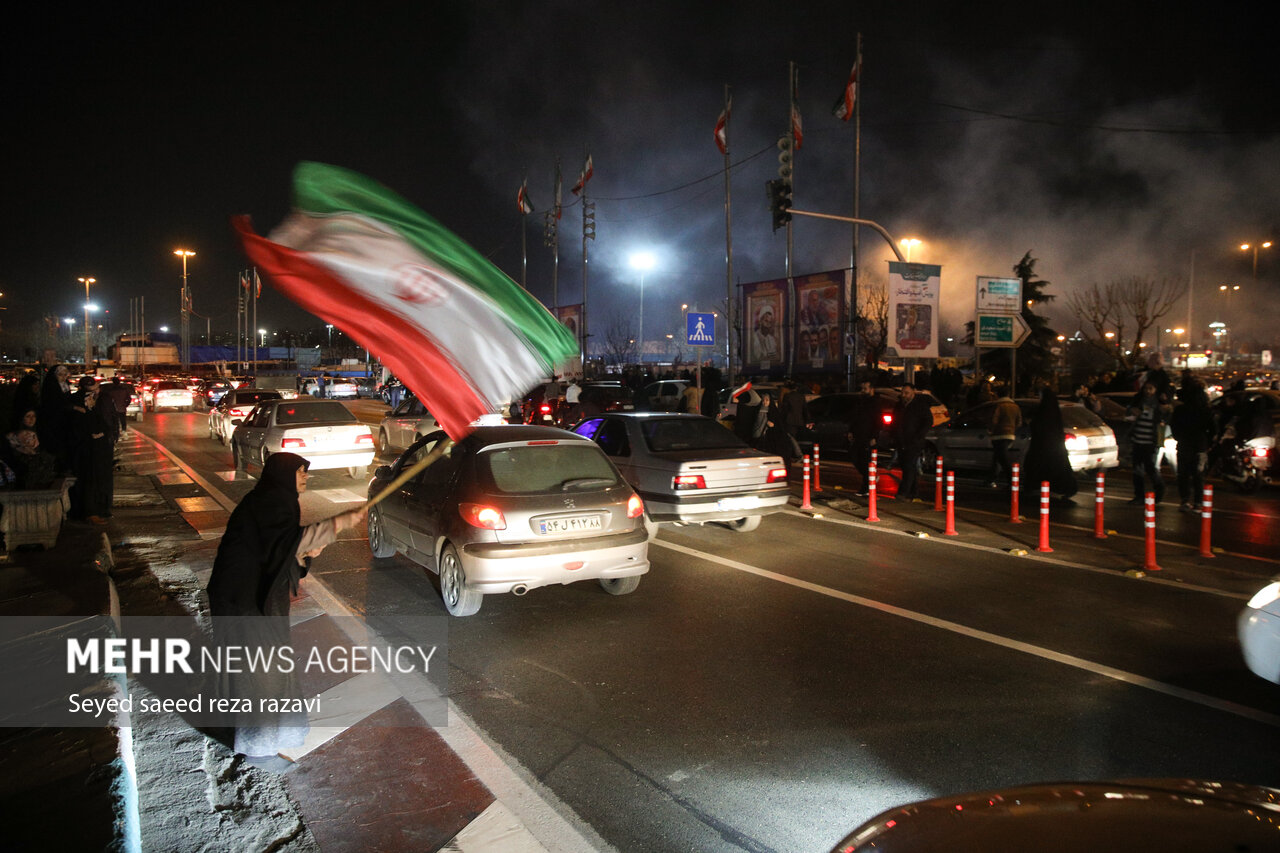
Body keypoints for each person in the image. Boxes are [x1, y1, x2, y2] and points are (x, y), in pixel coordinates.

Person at [205, 454, 365, 758]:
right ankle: (258, 743)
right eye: (300, 472)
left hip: (248, 596)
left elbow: (280, 547)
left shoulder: (277, 500)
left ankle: (264, 733)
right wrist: (338, 523)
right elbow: (287, 543)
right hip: (243, 599)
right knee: (260, 671)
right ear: (282, 475)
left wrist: (304, 551)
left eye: (306, 471)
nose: (305, 477)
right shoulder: (270, 501)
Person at [1021, 386, 1078, 504]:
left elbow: (1037, 426)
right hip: (1055, 448)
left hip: (1041, 447)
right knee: (1057, 467)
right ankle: (1062, 488)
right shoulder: (1054, 411)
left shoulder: (1043, 411)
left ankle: (1035, 486)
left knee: (1038, 466)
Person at [68, 379, 113, 523]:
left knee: (100, 478)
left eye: (96, 390)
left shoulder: (101, 399)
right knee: (89, 479)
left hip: (101, 447)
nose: (95, 393)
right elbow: (80, 424)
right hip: (86, 448)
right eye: (91, 391)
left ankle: (100, 510)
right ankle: (90, 512)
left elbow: (108, 420)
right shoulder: (78, 402)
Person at [1169, 377, 1213, 512]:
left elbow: (1174, 426)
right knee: (1198, 476)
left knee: (1183, 474)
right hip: (1199, 445)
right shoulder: (1205, 410)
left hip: (1184, 444)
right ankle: (1198, 503)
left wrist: (1179, 437)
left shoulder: (1180, 410)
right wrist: (1208, 443)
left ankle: (1185, 500)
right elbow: (1213, 428)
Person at [1126, 382, 1169, 504]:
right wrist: (1132, 412)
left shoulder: (1158, 403)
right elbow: (1129, 412)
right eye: (1146, 388)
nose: (1148, 391)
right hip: (1138, 439)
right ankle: (1139, 495)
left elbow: (1165, 416)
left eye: (1151, 388)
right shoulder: (1139, 400)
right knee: (1137, 469)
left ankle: (1159, 490)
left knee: (1151, 469)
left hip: (1150, 441)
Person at [891, 384, 934, 501]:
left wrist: (918, 436)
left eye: (907, 393)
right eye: (903, 393)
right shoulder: (900, 405)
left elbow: (928, 421)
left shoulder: (920, 405)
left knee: (909, 466)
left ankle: (903, 492)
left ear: (913, 392)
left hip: (914, 442)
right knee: (906, 466)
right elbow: (895, 421)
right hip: (901, 441)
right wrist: (894, 435)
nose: (904, 395)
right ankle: (913, 491)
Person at [845, 380, 880, 496]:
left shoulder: (875, 403)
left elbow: (877, 421)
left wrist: (874, 436)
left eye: (865, 389)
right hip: (858, 435)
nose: (862, 391)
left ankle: (866, 486)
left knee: (865, 461)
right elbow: (855, 417)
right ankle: (870, 479)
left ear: (871, 389)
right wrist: (851, 430)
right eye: (862, 388)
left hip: (867, 436)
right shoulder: (861, 401)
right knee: (854, 457)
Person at [6, 409, 57, 489]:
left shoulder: (38, 433)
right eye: (28, 416)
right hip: (21, 464)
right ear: (22, 418)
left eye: (33, 416)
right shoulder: (16, 434)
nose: (32, 419)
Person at [37, 364, 73, 474]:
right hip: (53, 420)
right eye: (60, 375)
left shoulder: (65, 385)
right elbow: (53, 403)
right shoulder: (51, 386)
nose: (63, 377)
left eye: (65, 375)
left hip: (64, 420)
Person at [985, 390, 1022, 488]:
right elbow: (1019, 422)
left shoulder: (998, 406)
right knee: (998, 458)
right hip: (1010, 435)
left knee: (1002, 459)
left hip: (999, 435)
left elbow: (994, 420)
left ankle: (1012, 480)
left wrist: (990, 430)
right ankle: (990, 479)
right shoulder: (1015, 406)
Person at [778, 380, 811, 469]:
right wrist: (808, 420)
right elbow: (805, 409)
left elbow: (785, 410)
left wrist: (780, 419)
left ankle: (799, 455)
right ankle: (794, 455)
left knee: (790, 438)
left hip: (789, 421)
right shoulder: (801, 396)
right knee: (792, 438)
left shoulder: (787, 396)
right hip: (799, 421)